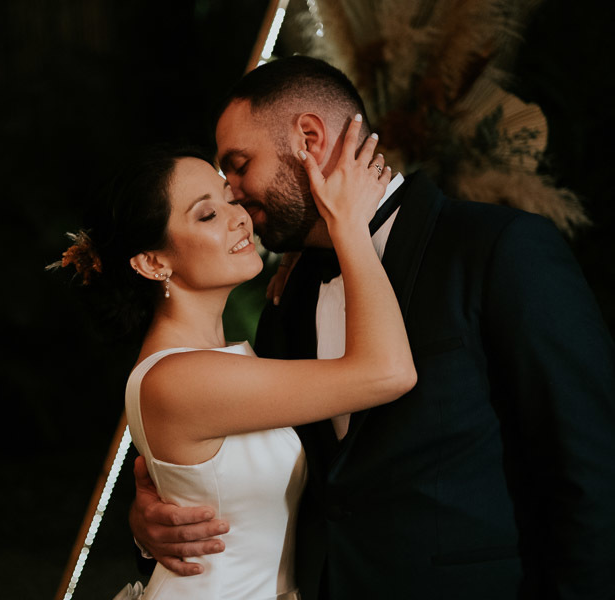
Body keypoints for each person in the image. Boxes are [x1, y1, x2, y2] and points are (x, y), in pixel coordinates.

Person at [129, 56, 615, 599]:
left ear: (308, 138)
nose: (235, 194)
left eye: (240, 165)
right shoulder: (287, 299)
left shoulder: (498, 249)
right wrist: (157, 508)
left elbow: (591, 470)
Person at [55, 118, 415, 599]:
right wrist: (346, 224)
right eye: (207, 215)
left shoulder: (226, 355)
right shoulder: (180, 377)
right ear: (153, 262)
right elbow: (387, 372)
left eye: (230, 199)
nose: (239, 217)